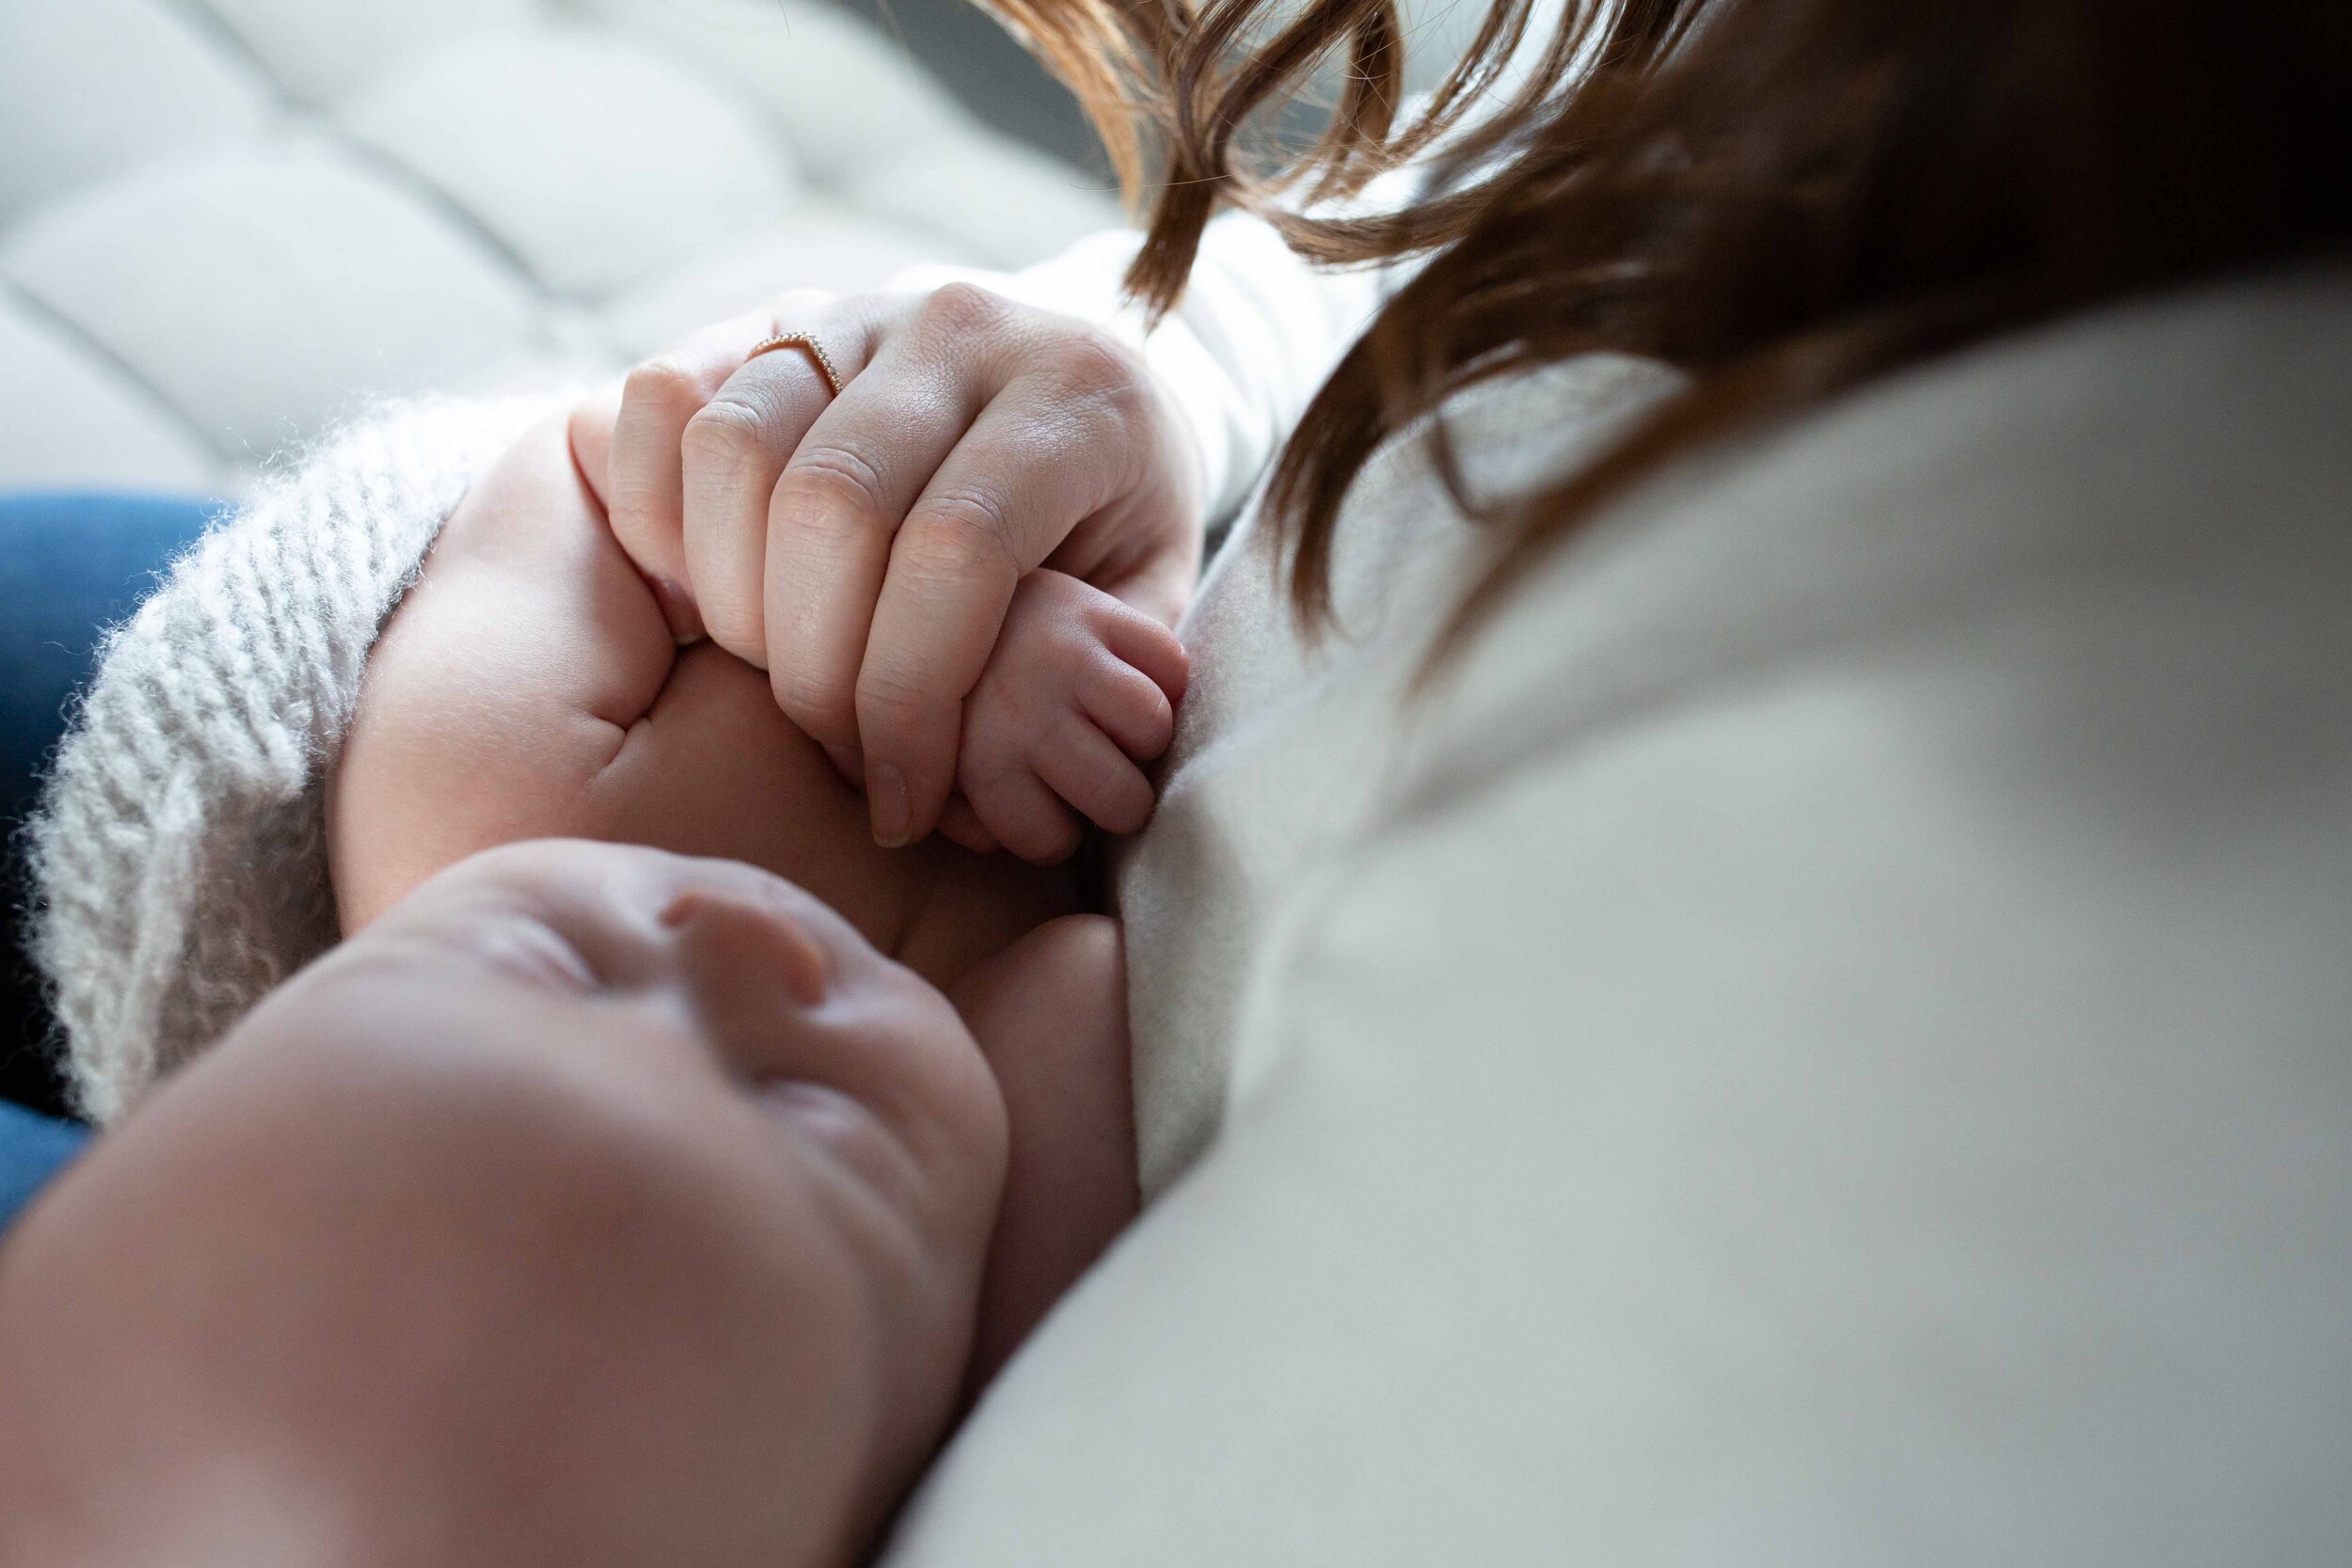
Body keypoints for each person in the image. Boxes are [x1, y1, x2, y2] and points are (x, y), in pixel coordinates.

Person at [7, 0, 2351, 1560]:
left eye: (565, 978)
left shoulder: (498, 860)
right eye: (781, 1096)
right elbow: (594, 485)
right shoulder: (496, 850)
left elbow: (620, 556)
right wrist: (1134, 395)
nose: (703, 951)